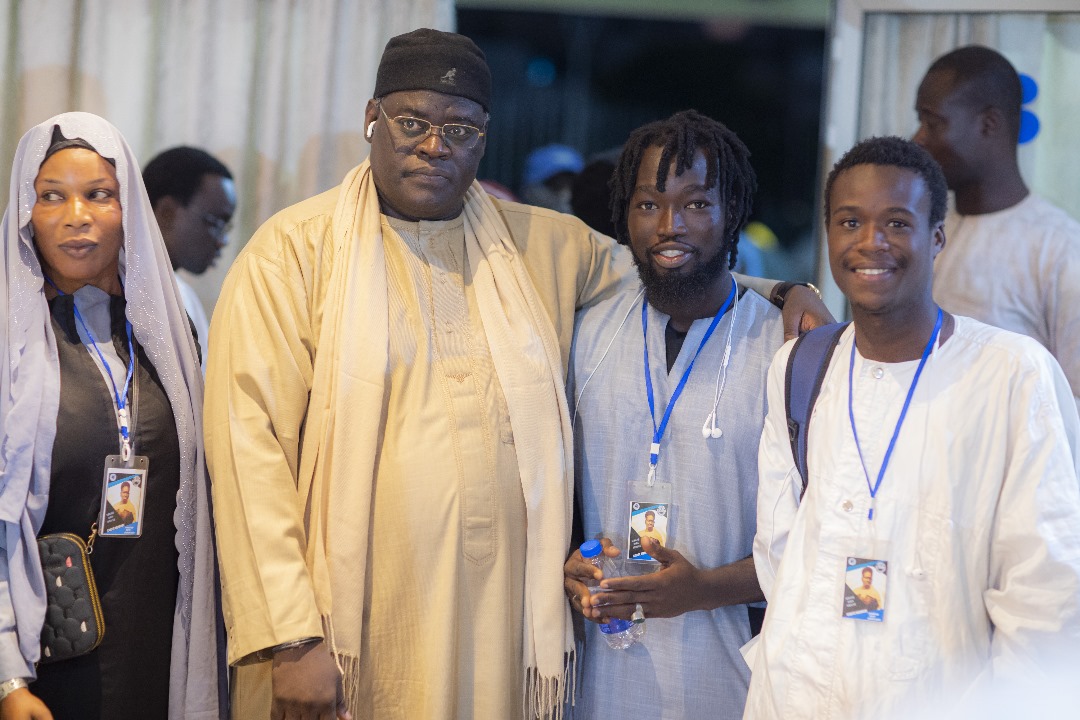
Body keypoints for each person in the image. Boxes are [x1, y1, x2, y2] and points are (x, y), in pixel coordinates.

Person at [205, 29, 829, 720]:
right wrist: (292, 639)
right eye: (412, 123)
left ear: (484, 137)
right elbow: (247, 454)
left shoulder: (539, 243)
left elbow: (669, 266)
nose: (435, 145)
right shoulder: (292, 255)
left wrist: (777, 292)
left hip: (497, 633)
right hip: (348, 630)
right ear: (370, 119)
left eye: (461, 129)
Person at [744, 136, 1080, 720]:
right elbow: (778, 552)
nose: (871, 241)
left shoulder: (1012, 374)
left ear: (937, 238)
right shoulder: (799, 365)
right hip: (793, 694)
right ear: (829, 236)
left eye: (897, 223)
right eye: (850, 221)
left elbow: (1047, 596)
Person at [0, 113, 225, 719]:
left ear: (130, 209)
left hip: (160, 638)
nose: (77, 214)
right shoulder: (10, 345)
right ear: (26, 211)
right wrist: (5, 679)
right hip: (45, 657)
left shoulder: (168, 340)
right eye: (52, 196)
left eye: (99, 194)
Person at [563, 110, 786, 720]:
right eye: (648, 204)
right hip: (602, 672)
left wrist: (703, 590)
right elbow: (549, 491)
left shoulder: (782, 348)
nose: (670, 226)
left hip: (731, 676)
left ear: (731, 212)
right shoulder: (587, 334)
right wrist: (566, 563)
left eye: (696, 204)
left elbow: (815, 540)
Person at [912, 45, 1080, 410]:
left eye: (932, 122)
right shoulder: (923, 233)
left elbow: (1073, 404)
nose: (918, 139)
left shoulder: (1060, 248)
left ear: (988, 124)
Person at [142, 146, 236, 357]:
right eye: (215, 222)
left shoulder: (177, 291)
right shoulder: (167, 295)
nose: (223, 241)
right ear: (166, 212)